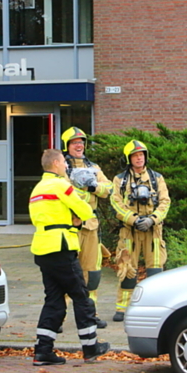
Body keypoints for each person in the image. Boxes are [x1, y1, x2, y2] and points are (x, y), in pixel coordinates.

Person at [29, 149, 110, 366]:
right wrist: (75, 220)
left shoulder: (37, 189)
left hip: (42, 249)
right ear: (55, 163)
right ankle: (90, 347)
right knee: (82, 296)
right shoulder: (60, 185)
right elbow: (85, 211)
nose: (66, 166)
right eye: (64, 162)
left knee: (54, 301)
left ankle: (43, 351)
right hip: (61, 247)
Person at [110, 140, 170, 322]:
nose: (139, 158)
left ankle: (156, 307)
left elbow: (165, 202)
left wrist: (152, 219)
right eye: (135, 155)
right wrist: (134, 219)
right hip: (130, 232)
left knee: (155, 271)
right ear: (129, 158)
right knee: (128, 270)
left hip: (153, 232)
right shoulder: (119, 180)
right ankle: (122, 308)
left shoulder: (156, 178)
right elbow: (116, 203)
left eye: (142, 155)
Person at [62, 127, 113, 329]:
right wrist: (85, 192)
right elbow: (65, 193)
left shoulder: (94, 167)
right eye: (75, 142)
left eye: (81, 142)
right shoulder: (61, 168)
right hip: (70, 226)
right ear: (67, 146)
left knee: (92, 274)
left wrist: (93, 187)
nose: (79, 145)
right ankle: (61, 317)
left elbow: (108, 188)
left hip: (90, 227)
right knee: (68, 273)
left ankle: (90, 315)